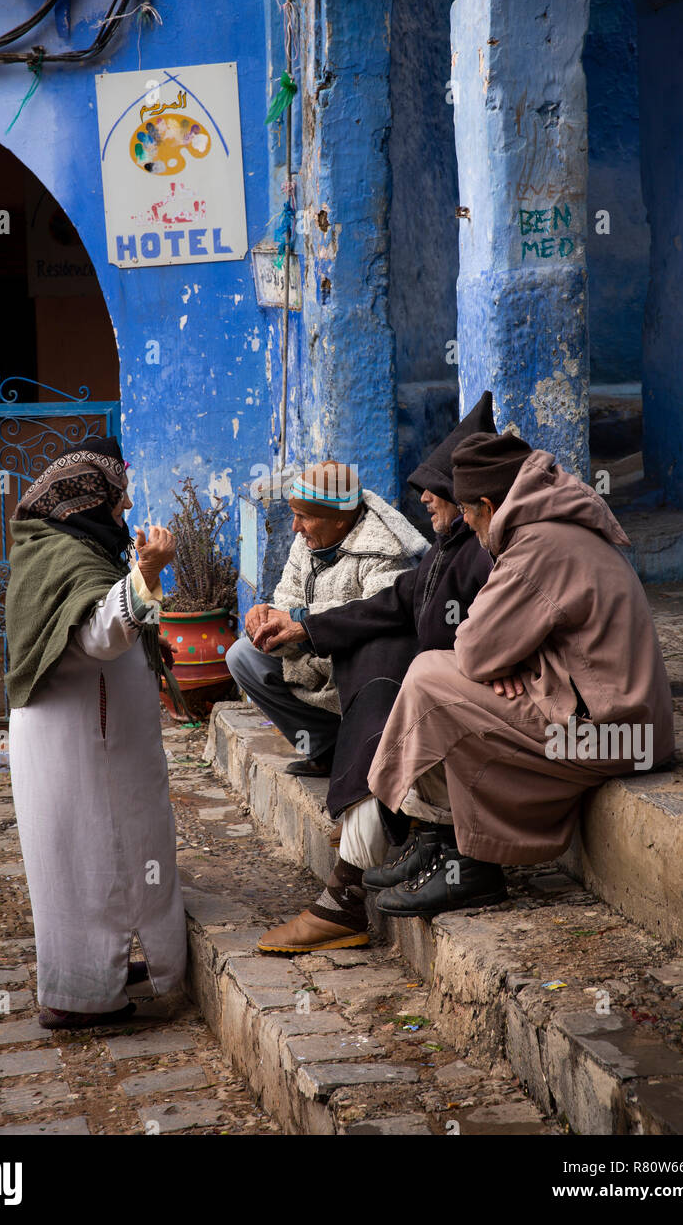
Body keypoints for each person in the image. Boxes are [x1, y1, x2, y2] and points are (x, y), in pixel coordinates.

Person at [364, 429, 676, 917]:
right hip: (612, 719)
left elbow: (472, 648)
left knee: (431, 679)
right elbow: (494, 649)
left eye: (466, 513)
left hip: (615, 735)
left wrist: (498, 662)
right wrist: (505, 663)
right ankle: (442, 844)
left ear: (487, 505)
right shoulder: (548, 524)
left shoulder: (538, 544)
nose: (464, 522)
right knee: (437, 676)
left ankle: (466, 864)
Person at [250, 394, 496, 953]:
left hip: (505, 707)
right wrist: (305, 628)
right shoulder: (450, 547)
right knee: (376, 648)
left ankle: (345, 894)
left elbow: (497, 641)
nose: (425, 498)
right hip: (443, 693)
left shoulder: (483, 552)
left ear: (473, 498)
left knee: (397, 673)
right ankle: (419, 838)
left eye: (437, 489)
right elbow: (392, 605)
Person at [4, 436, 187, 1029]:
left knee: (100, 853)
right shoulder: (62, 558)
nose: (123, 517)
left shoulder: (63, 546)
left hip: (93, 736)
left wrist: (137, 576)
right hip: (79, 741)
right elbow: (99, 636)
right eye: (115, 506)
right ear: (84, 502)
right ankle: (79, 995)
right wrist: (147, 571)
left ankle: (100, 969)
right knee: (83, 858)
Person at [226, 460, 428, 786]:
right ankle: (325, 747)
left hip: (359, 667)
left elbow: (374, 613)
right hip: (313, 654)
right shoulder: (308, 540)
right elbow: (288, 597)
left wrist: (302, 621)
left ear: (339, 519)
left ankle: (366, 752)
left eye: (303, 517)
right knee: (243, 656)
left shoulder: (387, 551)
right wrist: (269, 616)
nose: (294, 528)